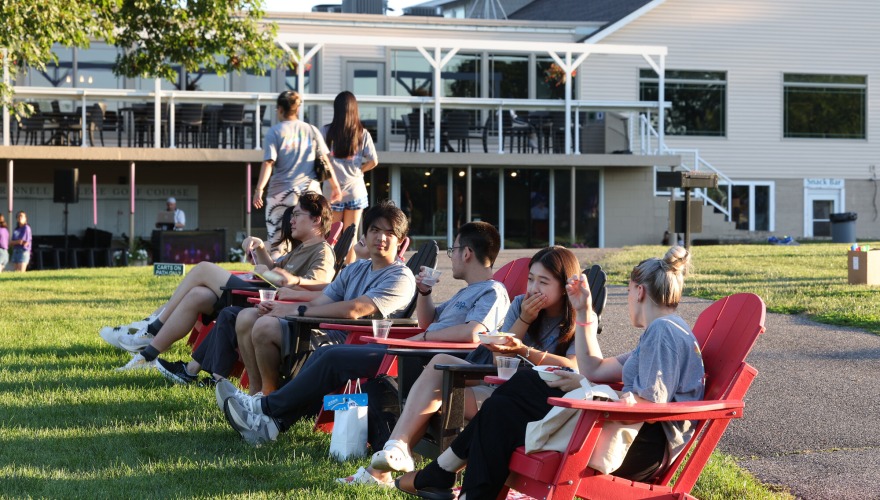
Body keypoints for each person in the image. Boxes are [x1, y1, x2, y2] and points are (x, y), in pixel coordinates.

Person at [395, 246, 705, 499]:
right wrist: (584, 312)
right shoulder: (660, 334)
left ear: (638, 291)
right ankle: (453, 484)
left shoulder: (664, 331)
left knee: (526, 384)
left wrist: (586, 386)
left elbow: (648, 406)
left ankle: (442, 471)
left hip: (642, 448)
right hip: (620, 431)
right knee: (505, 408)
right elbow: (595, 368)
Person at [216, 221, 510, 449]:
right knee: (329, 354)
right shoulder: (466, 292)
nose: (452, 257)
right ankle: (271, 419)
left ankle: (266, 412)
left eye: (454, 250)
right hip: (415, 350)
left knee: (333, 356)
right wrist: (425, 293)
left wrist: (420, 340)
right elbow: (427, 320)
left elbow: (474, 334)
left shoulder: (493, 291)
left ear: (467, 253)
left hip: (431, 360)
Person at [340, 245, 581, 486]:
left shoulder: (577, 317)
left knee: (437, 394)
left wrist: (524, 349)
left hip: (527, 403)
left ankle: (380, 471)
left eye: (543, 282)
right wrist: (524, 320)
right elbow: (500, 360)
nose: (533, 288)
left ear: (563, 287)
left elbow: (573, 367)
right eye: (530, 279)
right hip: (495, 383)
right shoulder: (520, 305)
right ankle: (398, 448)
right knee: (440, 363)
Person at [111, 193, 338, 372]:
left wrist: (285, 279)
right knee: (198, 295)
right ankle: (147, 355)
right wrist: (259, 248)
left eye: (298, 215)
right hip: (262, 293)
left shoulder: (322, 252)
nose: (291, 219)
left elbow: (318, 284)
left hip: (270, 302)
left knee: (203, 269)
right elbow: (271, 271)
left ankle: (153, 327)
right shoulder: (301, 249)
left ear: (316, 219)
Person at [229, 200, 416, 395]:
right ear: (366, 233)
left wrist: (294, 306)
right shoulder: (353, 267)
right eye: (375, 230)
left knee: (262, 325)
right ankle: (256, 393)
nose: (381, 238)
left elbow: (352, 310)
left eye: (389, 233)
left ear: (401, 241)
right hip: (324, 327)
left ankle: (267, 397)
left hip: (355, 343)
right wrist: (277, 304)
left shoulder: (398, 277)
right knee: (247, 316)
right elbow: (321, 300)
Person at [255, 90, 342, 259]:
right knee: (312, 240)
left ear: (280, 109)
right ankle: (309, 274)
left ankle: (275, 281)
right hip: (309, 194)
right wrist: (335, 187)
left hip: (281, 193)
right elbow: (324, 160)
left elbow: (268, 162)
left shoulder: (274, 132)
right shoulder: (311, 130)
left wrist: (259, 189)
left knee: (277, 241)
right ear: (297, 109)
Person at [322, 91, 378, 265]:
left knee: (331, 236)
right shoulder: (363, 133)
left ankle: (329, 270)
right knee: (351, 236)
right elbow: (374, 161)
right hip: (355, 190)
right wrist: (360, 170)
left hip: (333, 192)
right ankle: (349, 272)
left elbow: (322, 161)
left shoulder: (326, 131)